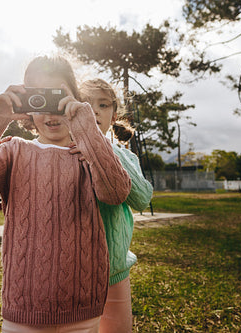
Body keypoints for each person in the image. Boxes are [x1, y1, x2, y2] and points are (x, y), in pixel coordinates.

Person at [0, 56, 132, 332]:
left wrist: (86, 130)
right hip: (23, 310)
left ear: (75, 100)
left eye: (58, 98)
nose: (51, 113)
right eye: (39, 99)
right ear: (27, 108)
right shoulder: (14, 151)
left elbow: (117, 192)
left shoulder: (88, 154)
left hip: (83, 309)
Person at [74, 78, 153, 333]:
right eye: (85, 103)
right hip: (74, 274)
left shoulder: (124, 155)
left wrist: (103, 149)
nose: (94, 110)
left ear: (114, 114)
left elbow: (141, 198)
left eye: (103, 105)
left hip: (115, 270)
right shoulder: (65, 152)